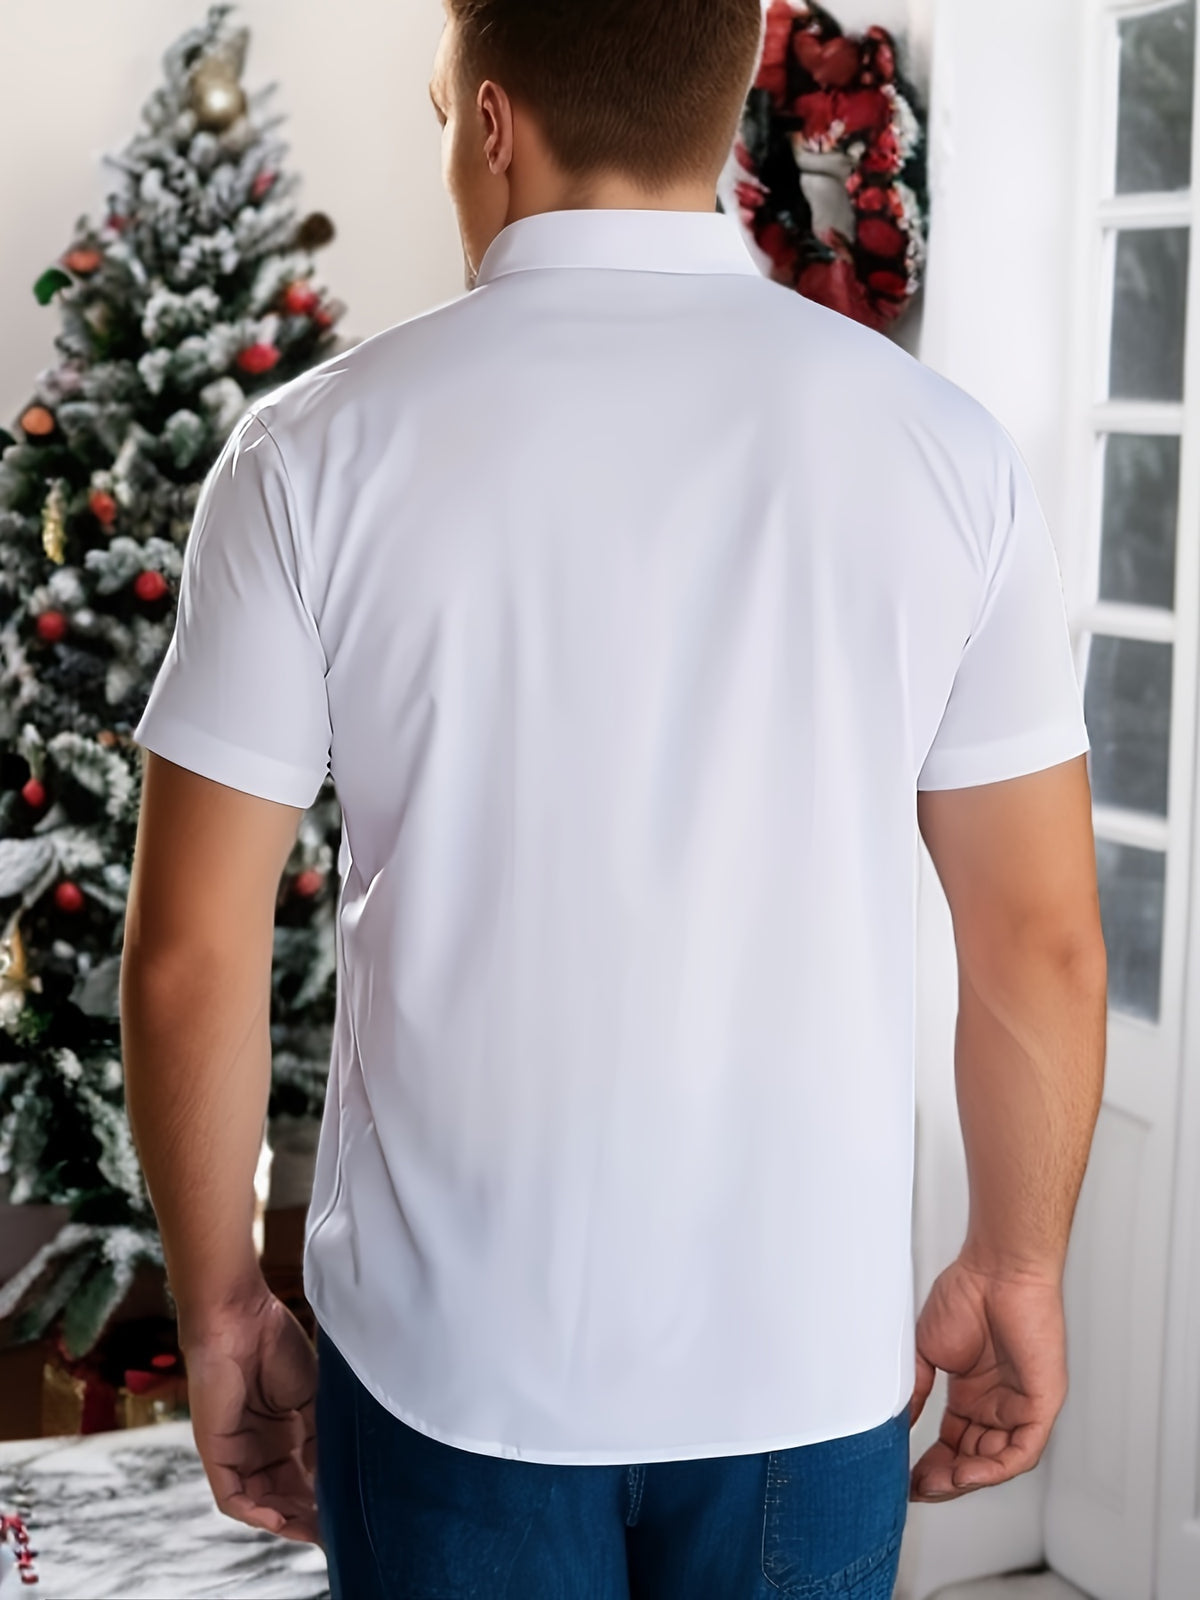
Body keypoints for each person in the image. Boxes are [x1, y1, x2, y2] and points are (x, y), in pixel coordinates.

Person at [119, 0, 1108, 1595]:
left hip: (449, 1368)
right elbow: (1042, 944)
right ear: (721, 114)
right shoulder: (945, 451)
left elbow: (189, 956)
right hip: (801, 1368)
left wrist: (221, 1304)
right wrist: (1018, 1263)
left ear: (492, 122)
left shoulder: (308, 456)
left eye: (445, 110)